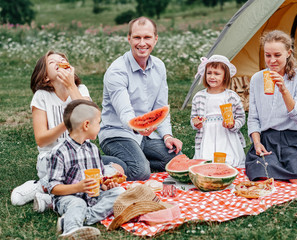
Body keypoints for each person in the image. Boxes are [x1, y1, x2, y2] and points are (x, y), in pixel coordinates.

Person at [10, 50, 121, 212]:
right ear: (46, 77)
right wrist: (67, 121)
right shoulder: (42, 96)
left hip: (82, 157)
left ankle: (49, 197)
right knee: (91, 179)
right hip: (52, 159)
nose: (59, 62)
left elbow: (92, 119)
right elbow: (41, 140)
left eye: (62, 60)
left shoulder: (80, 89)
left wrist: (71, 86)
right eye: (52, 62)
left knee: (117, 169)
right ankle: (40, 185)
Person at [99, 16, 182, 181]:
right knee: (140, 172)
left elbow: (161, 108)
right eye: (137, 37)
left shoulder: (159, 66)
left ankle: (132, 159)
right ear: (129, 39)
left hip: (146, 136)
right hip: (117, 134)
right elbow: (125, 113)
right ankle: (92, 162)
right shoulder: (117, 71)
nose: (142, 43)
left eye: (147, 37)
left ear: (155, 39)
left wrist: (167, 136)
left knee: (178, 161)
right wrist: (138, 127)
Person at [245, 30, 297, 183]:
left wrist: (284, 90)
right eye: (268, 55)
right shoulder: (257, 79)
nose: (272, 60)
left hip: (292, 138)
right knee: (262, 176)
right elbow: (253, 117)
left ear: (288, 53)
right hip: (267, 139)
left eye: (277, 55)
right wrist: (257, 143)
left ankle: (290, 171)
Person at [47, 99, 125, 238]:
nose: (100, 126)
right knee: (78, 203)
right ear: (86, 125)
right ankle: (71, 230)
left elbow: (100, 180)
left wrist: (107, 186)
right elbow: (53, 188)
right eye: (98, 122)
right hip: (68, 198)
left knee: (120, 192)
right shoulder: (60, 152)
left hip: (93, 197)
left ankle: (75, 218)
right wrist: (78, 188)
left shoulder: (93, 149)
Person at [190, 55, 246, 167]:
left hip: (226, 133)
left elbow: (241, 117)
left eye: (217, 74)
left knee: (230, 160)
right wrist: (196, 123)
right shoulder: (199, 96)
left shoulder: (231, 96)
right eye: (209, 73)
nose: (212, 76)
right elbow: (193, 118)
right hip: (207, 133)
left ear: (225, 76)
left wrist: (233, 124)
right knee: (206, 161)